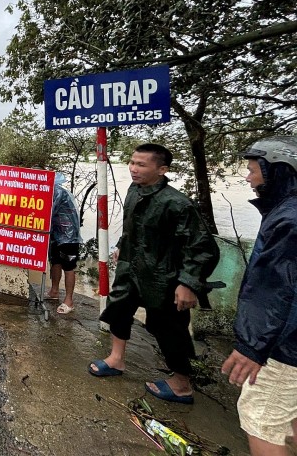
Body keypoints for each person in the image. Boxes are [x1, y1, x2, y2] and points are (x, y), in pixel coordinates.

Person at [88, 143, 219, 405]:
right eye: (132, 162)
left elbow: (203, 248)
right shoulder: (134, 191)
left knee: (169, 327)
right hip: (131, 267)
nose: (134, 169)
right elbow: (131, 228)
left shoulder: (178, 204)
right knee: (118, 309)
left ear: (162, 170)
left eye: (141, 165)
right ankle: (116, 358)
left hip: (164, 275)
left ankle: (182, 384)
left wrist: (188, 283)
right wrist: (120, 247)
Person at [221, 136, 297, 455]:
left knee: (260, 417)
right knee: (289, 413)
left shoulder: (289, 220)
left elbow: (281, 289)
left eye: (253, 170)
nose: (248, 178)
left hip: (284, 346)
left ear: (277, 170)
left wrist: (253, 345)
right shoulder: (286, 211)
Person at [45, 172, 83, 314]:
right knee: (55, 262)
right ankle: (54, 292)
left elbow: (47, 212)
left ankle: (69, 301)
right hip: (56, 233)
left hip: (69, 236)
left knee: (68, 266)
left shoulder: (57, 192)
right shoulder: (47, 191)